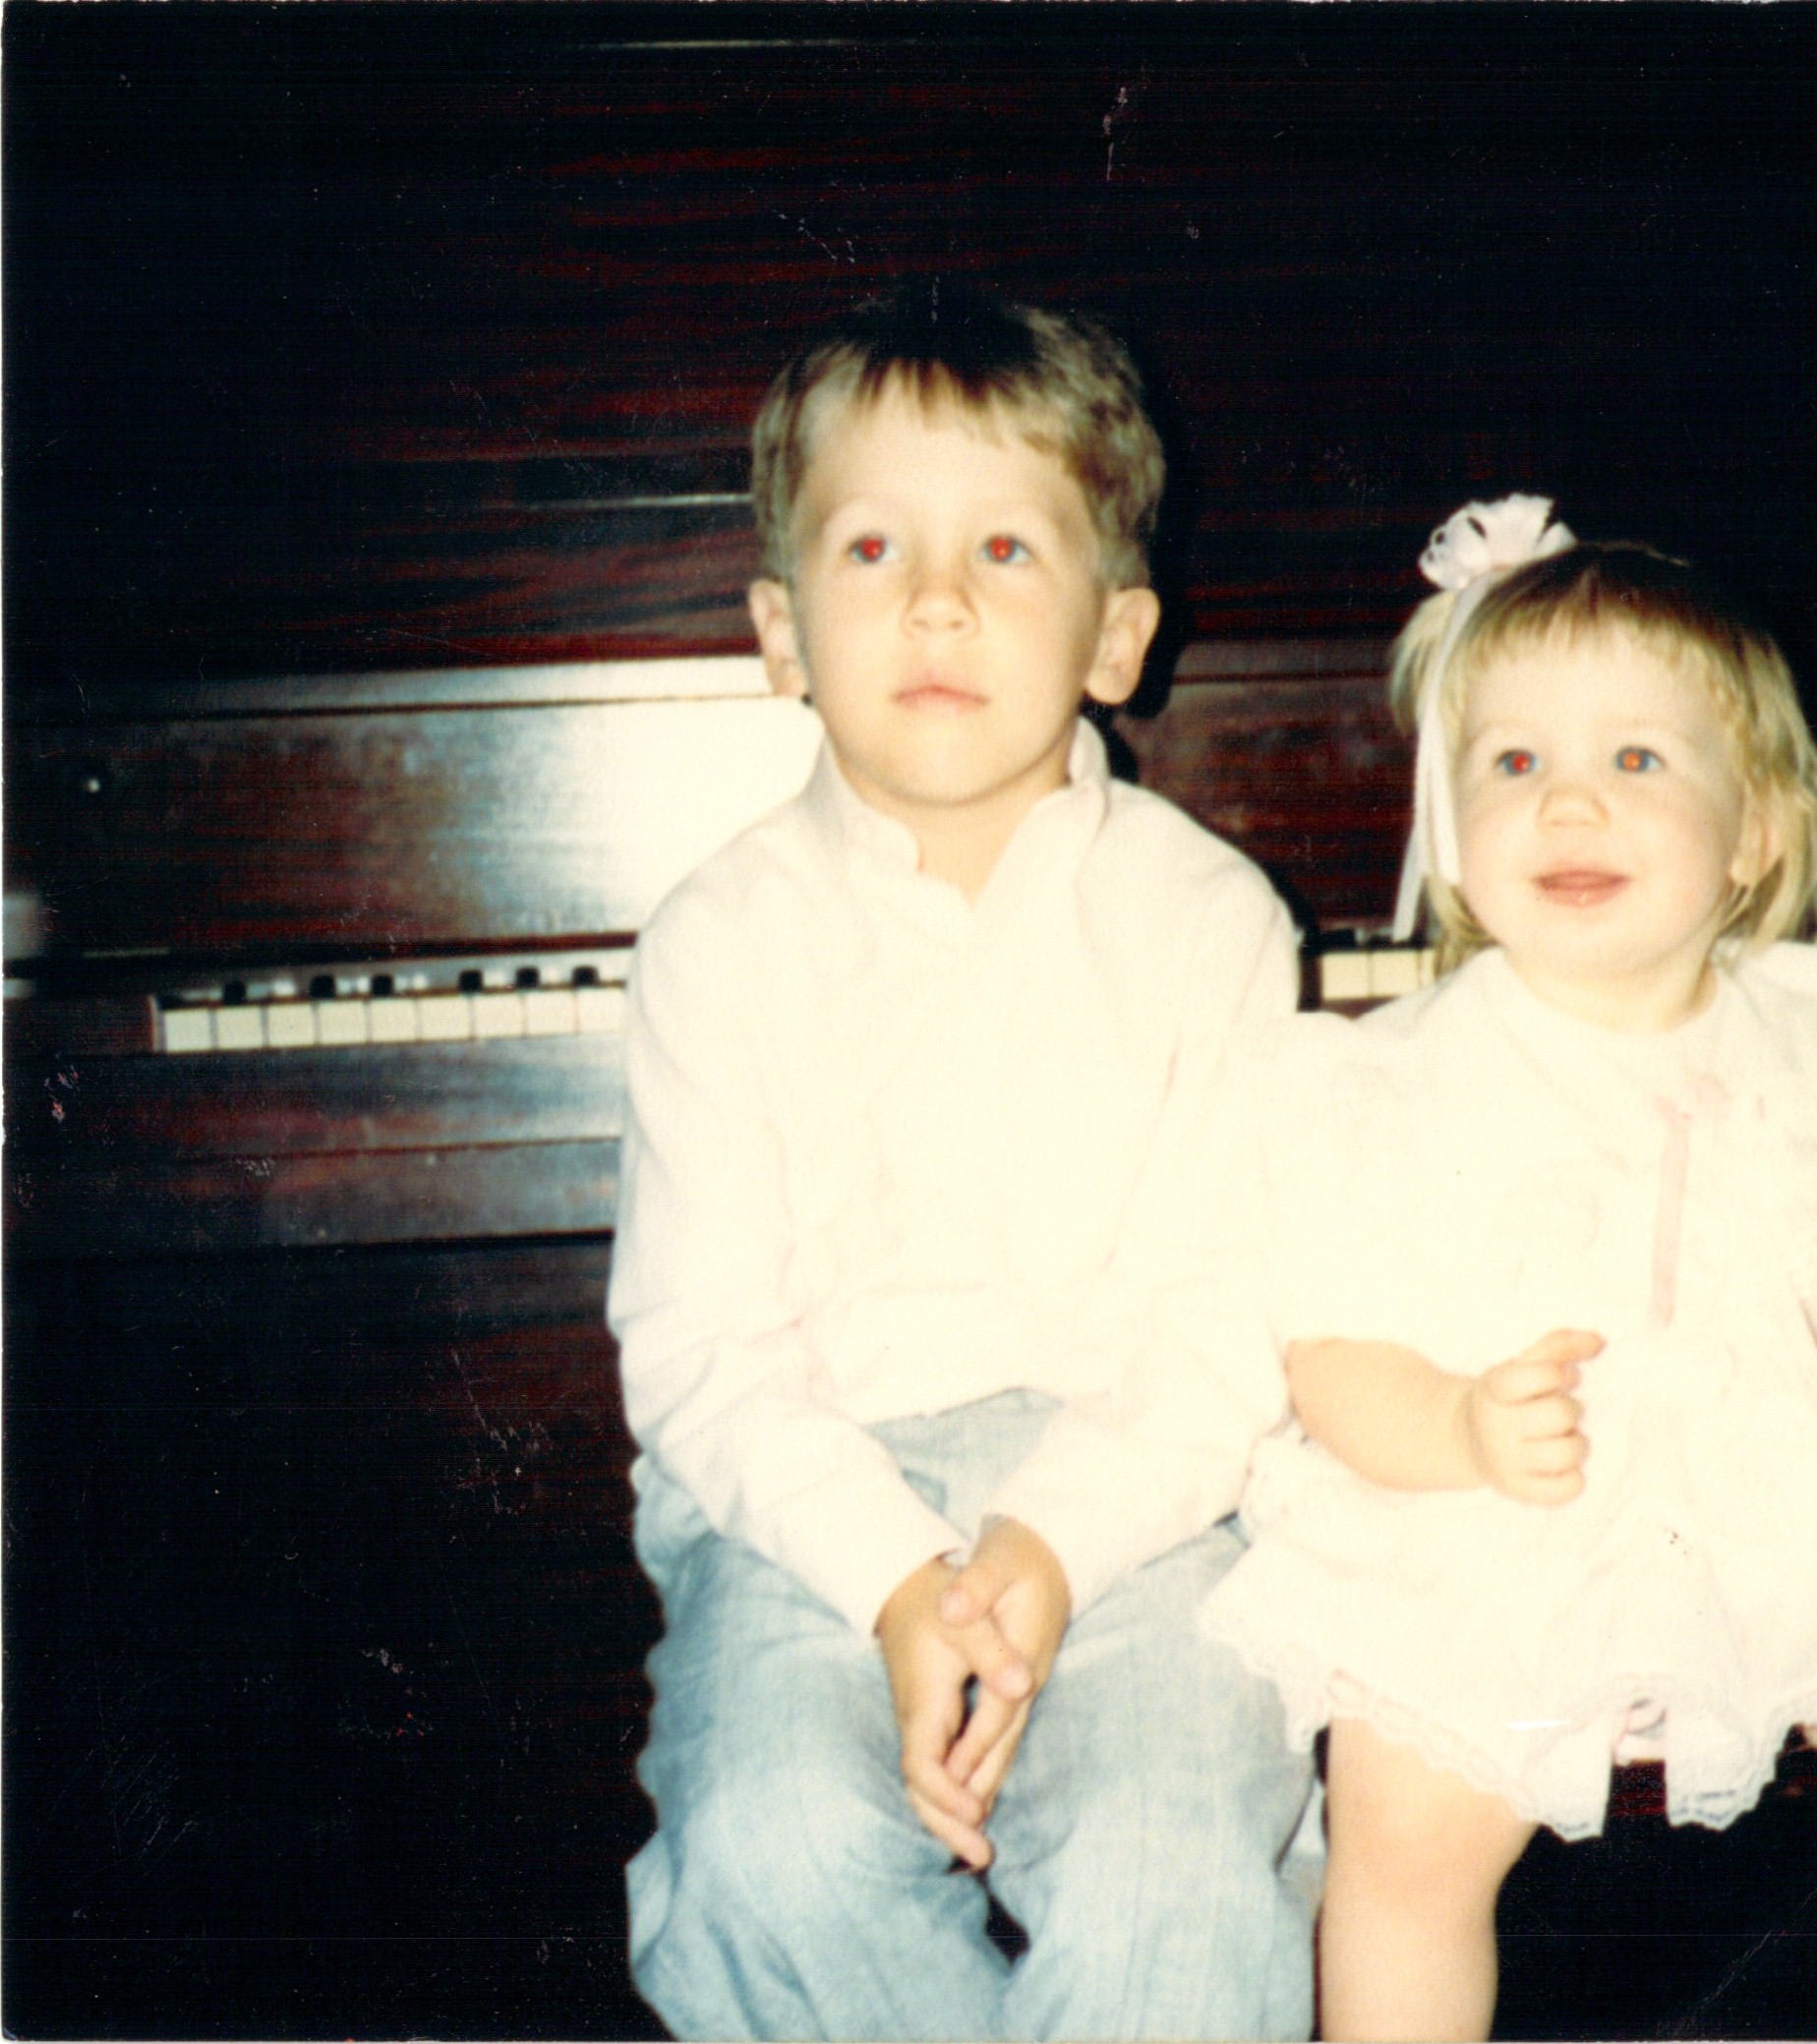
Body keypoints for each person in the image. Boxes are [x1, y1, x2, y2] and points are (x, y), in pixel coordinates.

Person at [984, 496, 1817, 2042]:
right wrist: (1458, 1428)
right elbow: (1331, 1357)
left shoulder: (1812, 1044)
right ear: (1449, 827)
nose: (1567, 804)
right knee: (1406, 1827)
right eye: (1513, 764)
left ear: (1751, 831)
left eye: (1635, 760)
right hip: (1502, 1515)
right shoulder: (1394, 1081)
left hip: (1791, 1493)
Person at [607, 281, 1318, 2042]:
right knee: (766, 1857)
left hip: (1141, 1505)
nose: (936, 599)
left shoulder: (1208, 918)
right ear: (780, 633)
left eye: (1005, 547)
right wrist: (894, 1581)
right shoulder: (718, 937)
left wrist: (1049, 1549)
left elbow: (1228, 1318)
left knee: (1174, 1864)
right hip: (805, 1512)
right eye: (872, 549)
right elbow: (700, 1351)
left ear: (1114, 637)